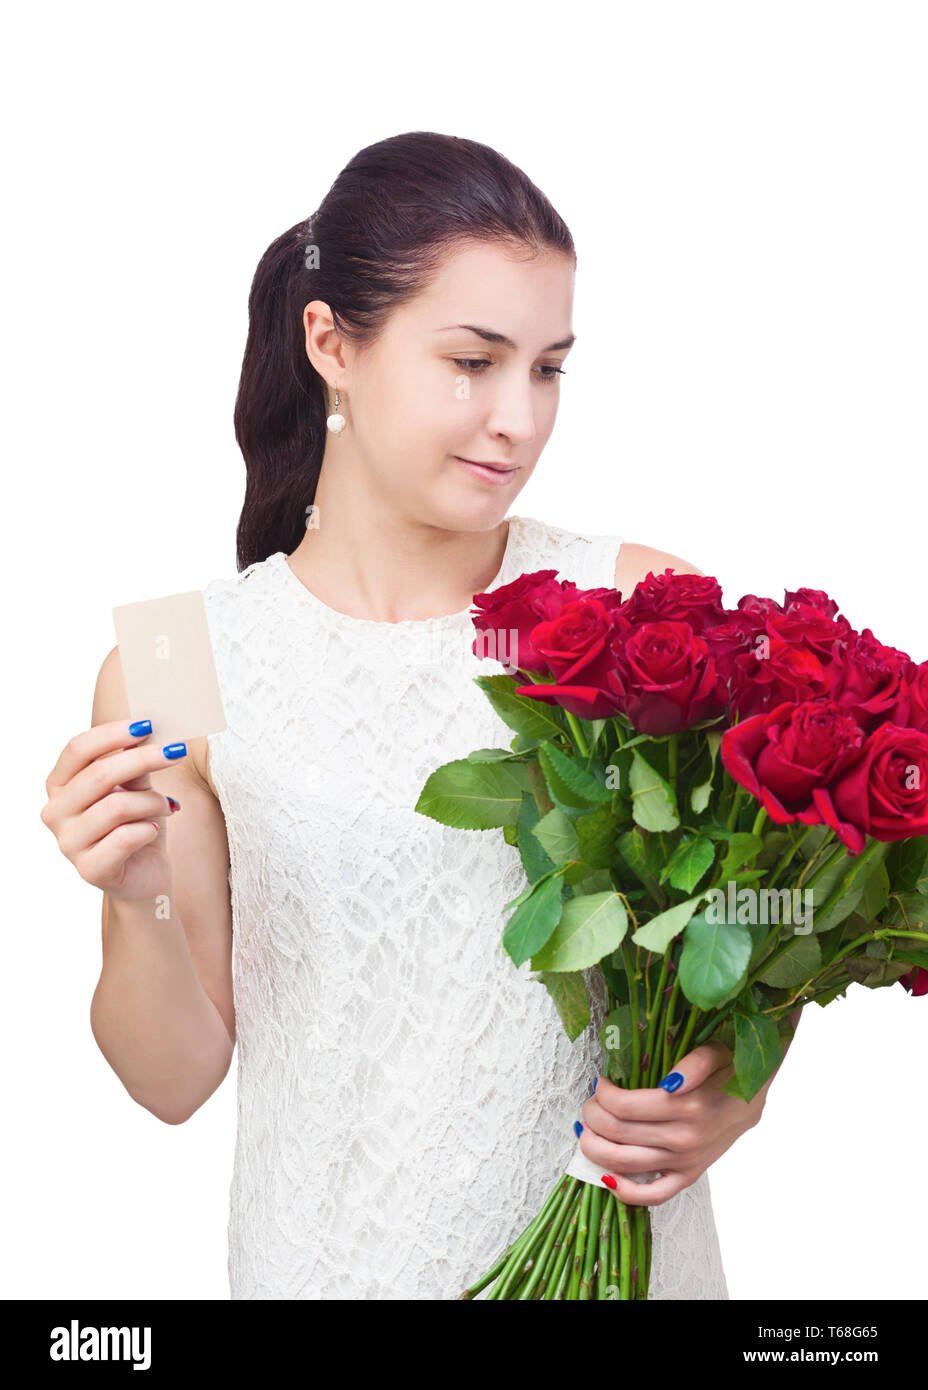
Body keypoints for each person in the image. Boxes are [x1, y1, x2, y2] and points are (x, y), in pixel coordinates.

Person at [40, 130, 798, 1300]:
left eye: (547, 368)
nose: (519, 419)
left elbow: (771, 901)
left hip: (619, 1268)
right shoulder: (170, 656)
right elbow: (173, 1080)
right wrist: (131, 900)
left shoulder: (635, 605)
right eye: (472, 360)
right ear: (331, 342)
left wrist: (734, 1096)